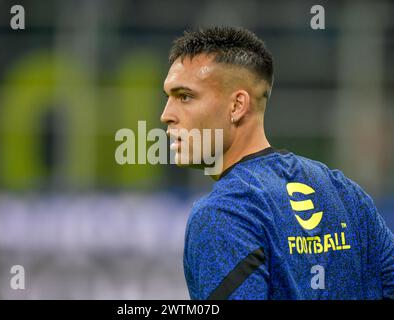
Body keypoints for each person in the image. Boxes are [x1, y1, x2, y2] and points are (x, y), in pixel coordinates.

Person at [160, 26, 394, 299]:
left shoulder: (224, 214)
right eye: (169, 97)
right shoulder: (345, 193)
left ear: (236, 106)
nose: (166, 115)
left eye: (185, 96)